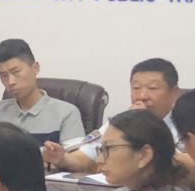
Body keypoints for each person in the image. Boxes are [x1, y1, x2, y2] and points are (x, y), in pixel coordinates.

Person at [45, 57, 184, 173]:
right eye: (136, 88)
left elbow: (189, 166)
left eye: (152, 88)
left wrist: (146, 127)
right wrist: (62, 158)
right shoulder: (120, 123)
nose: (142, 95)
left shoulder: (187, 122)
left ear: (175, 93)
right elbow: (83, 158)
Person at [0, 38, 85, 146]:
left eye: (16, 72)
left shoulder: (66, 113)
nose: (10, 82)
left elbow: (78, 157)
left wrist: (58, 156)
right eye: (3, 76)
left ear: (35, 68)